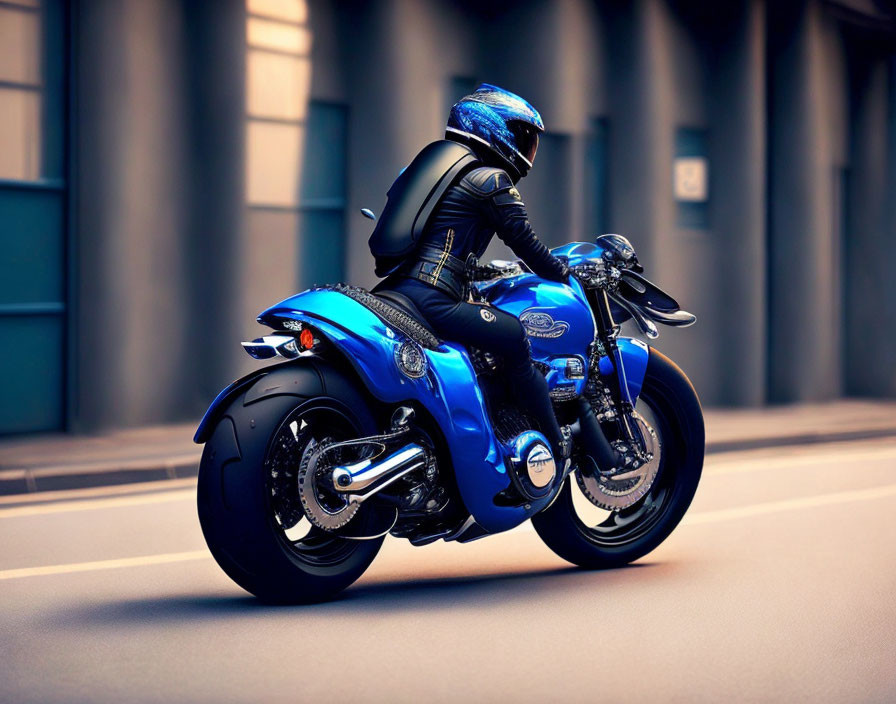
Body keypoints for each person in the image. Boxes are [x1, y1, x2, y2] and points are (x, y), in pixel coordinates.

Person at [372, 84, 572, 463]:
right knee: (514, 334)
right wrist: (564, 272)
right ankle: (556, 445)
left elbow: (440, 242)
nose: (528, 149)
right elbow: (526, 244)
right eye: (523, 136)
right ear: (492, 127)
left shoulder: (439, 174)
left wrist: (478, 272)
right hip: (434, 299)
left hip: (398, 290)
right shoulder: (490, 179)